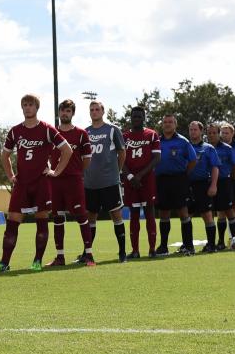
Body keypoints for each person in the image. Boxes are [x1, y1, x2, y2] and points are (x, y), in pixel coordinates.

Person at [0, 94, 71, 273]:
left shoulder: (47, 129)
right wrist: (10, 175)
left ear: (37, 108)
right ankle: (4, 262)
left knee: (41, 221)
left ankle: (37, 261)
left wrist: (55, 172)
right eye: (24, 104)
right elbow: (4, 155)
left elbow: (67, 150)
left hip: (41, 182)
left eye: (31, 105)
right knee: (12, 222)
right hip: (22, 183)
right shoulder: (15, 131)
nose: (27, 108)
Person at [47, 99, 95, 267]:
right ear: (58, 112)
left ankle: (89, 255)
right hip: (55, 181)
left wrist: (78, 171)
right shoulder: (51, 133)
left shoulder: (81, 134)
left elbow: (87, 159)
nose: (65, 113)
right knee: (58, 217)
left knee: (81, 215)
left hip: (74, 181)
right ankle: (60, 257)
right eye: (62, 110)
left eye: (68, 111)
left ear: (73, 113)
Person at [81, 100, 126, 263]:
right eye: (91, 109)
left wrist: (117, 172)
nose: (94, 112)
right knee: (90, 217)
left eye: (97, 109)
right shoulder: (85, 132)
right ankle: (87, 253)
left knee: (116, 215)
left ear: (103, 111)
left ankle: (122, 252)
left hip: (110, 182)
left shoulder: (113, 130)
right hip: (90, 183)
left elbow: (122, 153)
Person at [121, 106, 161, 257]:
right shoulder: (124, 137)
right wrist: (131, 176)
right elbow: (121, 159)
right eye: (134, 116)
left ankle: (152, 249)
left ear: (144, 117)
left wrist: (140, 175)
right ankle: (135, 250)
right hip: (130, 181)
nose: (136, 119)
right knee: (134, 215)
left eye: (139, 116)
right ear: (130, 118)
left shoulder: (151, 134)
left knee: (150, 213)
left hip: (147, 180)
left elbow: (157, 158)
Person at [154, 114, 197, 256]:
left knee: (183, 212)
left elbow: (192, 160)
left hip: (179, 180)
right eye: (165, 122)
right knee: (163, 213)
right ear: (162, 124)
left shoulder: (183, 141)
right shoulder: (157, 141)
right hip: (161, 180)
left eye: (170, 122)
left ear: (175, 124)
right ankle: (163, 247)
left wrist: (184, 174)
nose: (167, 124)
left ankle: (188, 246)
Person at [187, 121, 220, 253]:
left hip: (203, 185)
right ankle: (188, 246)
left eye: (195, 130)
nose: (193, 132)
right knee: (186, 215)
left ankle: (211, 245)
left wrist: (213, 185)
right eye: (191, 130)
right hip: (188, 185)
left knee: (207, 215)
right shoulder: (185, 146)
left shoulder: (208, 148)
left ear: (201, 132)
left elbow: (215, 167)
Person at [206, 123, 235, 250]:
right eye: (209, 133)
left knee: (228, 210)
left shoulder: (227, 148)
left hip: (224, 182)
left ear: (218, 134)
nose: (212, 135)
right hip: (207, 182)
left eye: (214, 133)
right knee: (212, 212)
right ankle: (219, 241)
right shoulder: (205, 148)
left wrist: (231, 178)